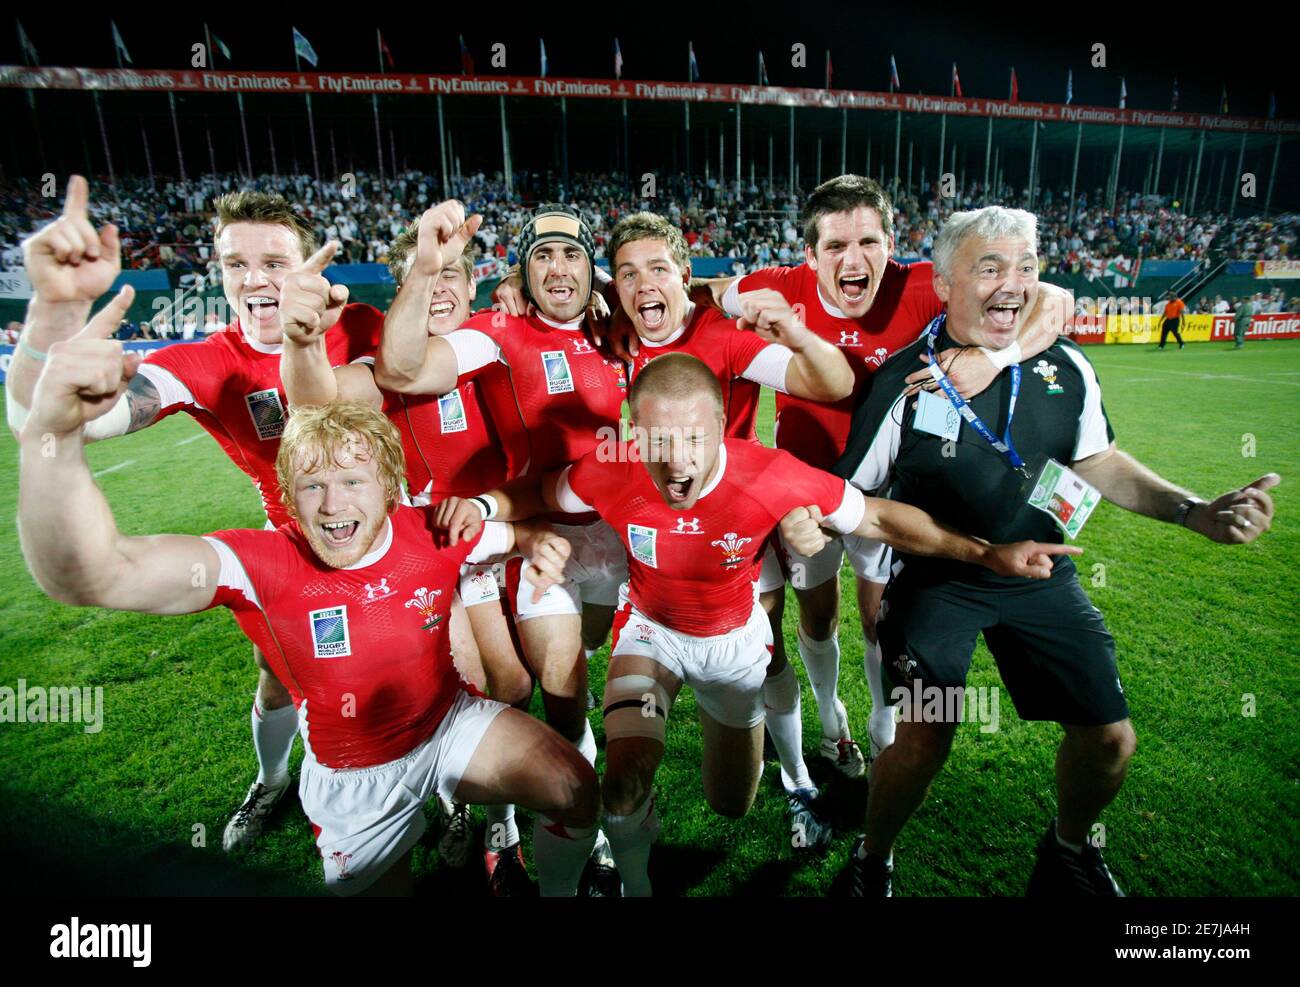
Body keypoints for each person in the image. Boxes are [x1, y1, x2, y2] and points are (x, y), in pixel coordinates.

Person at [14, 306, 603, 895]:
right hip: (355, 779)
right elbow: (89, 574)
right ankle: (281, 786)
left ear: (387, 482)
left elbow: (518, 535)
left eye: (352, 481)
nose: (333, 505)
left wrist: (540, 545)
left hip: (450, 726)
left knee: (576, 788)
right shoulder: (259, 563)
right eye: (312, 484)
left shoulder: (429, 529)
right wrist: (53, 440)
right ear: (288, 496)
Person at [440, 352, 1076, 896]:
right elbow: (545, 492)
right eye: (659, 441)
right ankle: (636, 884)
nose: (677, 462)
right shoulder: (615, 469)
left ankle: (760, 773)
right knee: (625, 780)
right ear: (635, 434)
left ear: (722, 426)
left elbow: (878, 519)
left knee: (730, 802)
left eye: (694, 438)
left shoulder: (770, 474)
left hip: (734, 645)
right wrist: (484, 504)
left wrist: (987, 553)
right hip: (650, 635)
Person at [832, 206, 1281, 896]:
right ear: (944, 284)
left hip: (1039, 568)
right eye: (990, 267)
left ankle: (1068, 849)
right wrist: (878, 576)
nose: (1014, 284)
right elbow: (853, 502)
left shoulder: (1066, 365)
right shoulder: (905, 381)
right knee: (927, 731)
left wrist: (1194, 511)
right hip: (935, 578)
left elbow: (1098, 461)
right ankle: (873, 857)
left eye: (1027, 267)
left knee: (1111, 740)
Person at [6, 177, 385, 853]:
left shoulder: (356, 324)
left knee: (432, 661)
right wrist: (52, 315)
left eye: (273, 263)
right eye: (236, 264)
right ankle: (272, 781)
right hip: (295, 546)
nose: (253, 280)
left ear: (305, 266)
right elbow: (54, 422)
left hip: (389, 529)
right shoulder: (207, 362)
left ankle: (450, 802)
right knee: (280, 681)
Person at [672, 175, 1070, 779]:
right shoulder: (775, 288)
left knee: (880, 617)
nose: (853, 260)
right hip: (808, 494)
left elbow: (1052, 300)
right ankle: (833, 725)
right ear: (810, 254)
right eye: (835, 246)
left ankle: (883, 727)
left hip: (894, 492)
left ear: (892, 242)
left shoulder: (921, 287)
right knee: (818, 618)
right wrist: (581, 286)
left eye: (868, 242)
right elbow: (696, 291)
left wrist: (994, 358)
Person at [277, 206, 537, 891]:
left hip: (492, 533)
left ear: (476, 283)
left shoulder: (487, 342)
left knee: (513, 683)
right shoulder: (385, 369)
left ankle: (481, 809)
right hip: (424, 553)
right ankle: (477, 822)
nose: (442, 285)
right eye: (427, 275)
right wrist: (302, 344)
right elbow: (318, 402)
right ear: (405, 288)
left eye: (454, 271)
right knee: (474, 684)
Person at [375, 201, 625, 894]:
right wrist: (427, 272)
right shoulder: (501, 332)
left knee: (587, 669)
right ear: (521, 269)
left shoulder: (620, 327)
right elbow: (402, 371)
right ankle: (566, 823)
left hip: (615, 538)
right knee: (559, 684)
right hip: (534, 537)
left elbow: (697, 301)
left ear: (591, 266)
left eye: (571, 253)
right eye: (540, 255)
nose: (557, 267)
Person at [605, 210, 855, 845]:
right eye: (627, 274)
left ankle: (798, 777)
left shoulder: (721, 334)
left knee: (766, 649)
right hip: (649, 537)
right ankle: (627, 815)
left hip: (736, 529)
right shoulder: (612, 335)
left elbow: (827, 384)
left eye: (658, 268)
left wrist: (795, 334)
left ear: (685, 277)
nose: (643, 285)